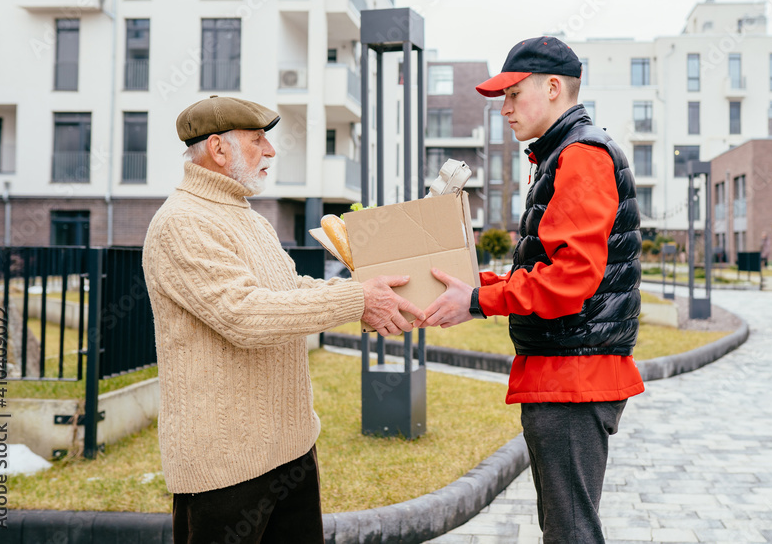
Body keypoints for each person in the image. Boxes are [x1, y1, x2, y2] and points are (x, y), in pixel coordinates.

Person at [142, 95, 425, 544]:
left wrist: (376, 297)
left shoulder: (249, 219)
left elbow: (292, 290)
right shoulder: (181, 222)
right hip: (226, 468)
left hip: (291, 452)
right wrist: (357, 301)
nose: (271, 151)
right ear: (218, 149)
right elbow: (245, 315)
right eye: (257, 140)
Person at [418, 37, 645, 543]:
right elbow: (552, 267)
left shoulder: (581, 156)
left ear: (553, 87)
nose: (505, 110)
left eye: (514, 95)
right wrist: (477, 286)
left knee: (569, 533)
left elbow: (569, 281)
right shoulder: (562, 154)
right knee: (565, 528)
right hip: (566, 372)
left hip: (573, 376)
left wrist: (477, 301)